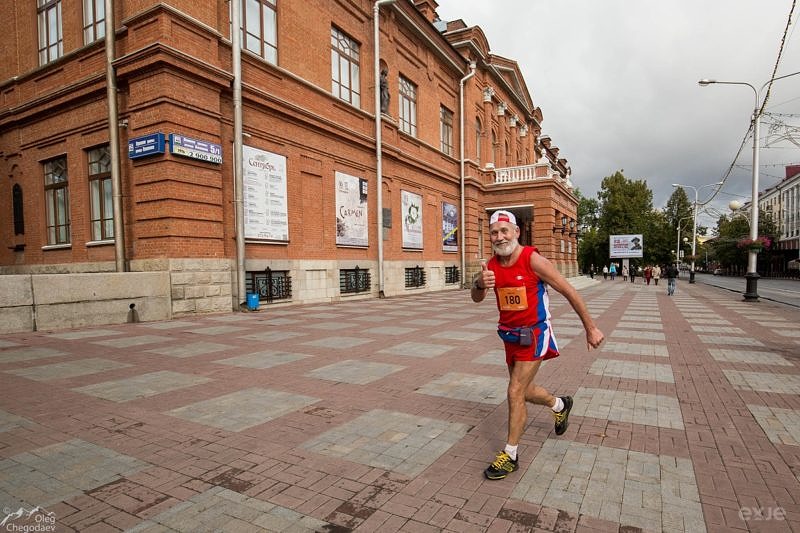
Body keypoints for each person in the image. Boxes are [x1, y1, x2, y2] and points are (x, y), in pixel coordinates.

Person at [471, 210, 604, 480]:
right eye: (494, 232)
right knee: (526, 391)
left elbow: (569, 291)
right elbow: (476, 298)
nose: (499, 237)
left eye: (504, 231)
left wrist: (590, 328)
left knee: (514, 391)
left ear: (517, 232)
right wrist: (478, 283)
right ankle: (559, 405)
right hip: (510, 337)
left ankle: (510, 455)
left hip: (534, 334)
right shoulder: (491, 265)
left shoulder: (533, 259)